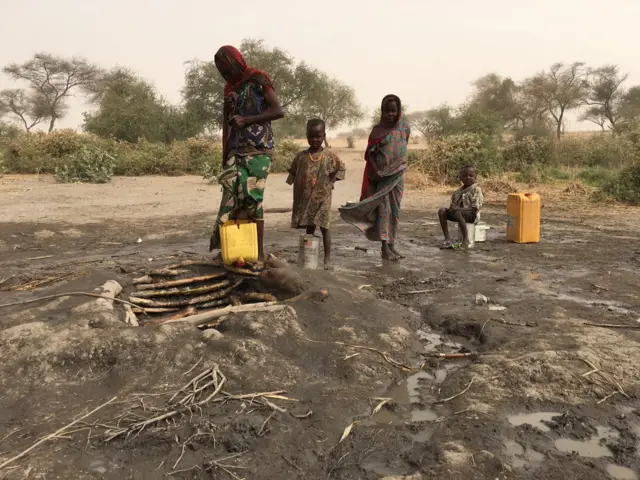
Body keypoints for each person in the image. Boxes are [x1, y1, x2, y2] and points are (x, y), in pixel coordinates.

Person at [209, 45, 285, 261]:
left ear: (236, 63)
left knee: (252, 199)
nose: (225, 75)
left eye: (227, 70)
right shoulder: (230, 88)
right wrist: (229, 108)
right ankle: (234, 249)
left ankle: (258, 253)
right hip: (236, 149)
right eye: (221, 72)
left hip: (257, 150)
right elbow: (229, 121)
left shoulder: (258, 79)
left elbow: (278, 111)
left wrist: (246, 120)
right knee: (231, 197)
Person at [339, 94, 410, 261]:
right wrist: (377, 170)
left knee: (395, 212)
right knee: (384, 212)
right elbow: (369, 154)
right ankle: (384, 248)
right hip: (382, 178)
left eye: (394, 110)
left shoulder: (405, 127)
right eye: (387, 111)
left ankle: (392, 245)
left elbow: (403, 147)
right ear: (382, 111)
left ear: (399, 110)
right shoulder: (377, 131)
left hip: (398, 176)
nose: (391, 114)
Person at [287, 119, 346, 270]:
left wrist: (331, 182)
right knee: (310, 227)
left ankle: (327, 259)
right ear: (306, 136)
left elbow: (341, 168)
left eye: (318, 137)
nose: (315, 140)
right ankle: (309, 257)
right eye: (312, 136)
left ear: (324, 136)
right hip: (307, 199)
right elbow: (293, 172)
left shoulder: (329, 155)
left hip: (323, 199)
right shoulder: (301, 156)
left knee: (325, 227)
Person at [438, 165, 484, 248]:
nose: (468, 178)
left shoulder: (476, 190)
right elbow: (453, 206)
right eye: (464, 176)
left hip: (472, 215)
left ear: (475, 177)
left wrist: (457, 209)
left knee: (458, 212)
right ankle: (447, 239)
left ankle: (465, 240)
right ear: (460, 178)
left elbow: (474, 208)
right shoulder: (457, 192)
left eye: (471, 175)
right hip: (459, 214)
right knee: (442, 211)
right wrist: (452, 208)